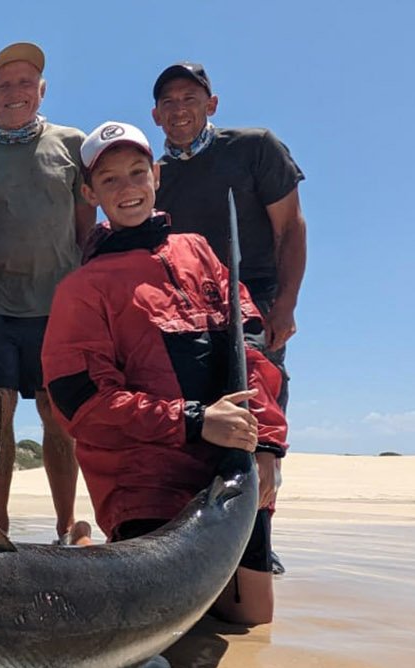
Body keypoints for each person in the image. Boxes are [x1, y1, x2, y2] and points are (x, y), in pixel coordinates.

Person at [41, 123, 287, 624]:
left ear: (157, 175)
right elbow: (82, 407)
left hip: (228, 466)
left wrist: (267, 446)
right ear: (90, 193)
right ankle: (86, 544)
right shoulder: (80, 289)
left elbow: (255, 349)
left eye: (137, 172)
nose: (127, 188)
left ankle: (92, 548)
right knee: (160, 633)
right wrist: (194, 420)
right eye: (109, 180)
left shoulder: (199, 251)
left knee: (252, 624)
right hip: (145, 481)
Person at [0, 42, 95, 545]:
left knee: (58, 417)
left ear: (41, 91)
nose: (14, 94)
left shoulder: (73, 143)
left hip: (58, 307)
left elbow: (86, 227)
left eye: (24, 84)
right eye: (2, 87)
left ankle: (65, 526)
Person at [150, 61, 306, 411]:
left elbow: (291, 227)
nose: (179, 110)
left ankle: (268, 467)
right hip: (191, 309)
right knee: (202, 409)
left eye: (190, 98)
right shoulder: (152, 178)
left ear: (212, 104)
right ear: (156, 115)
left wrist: (286, 304)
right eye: (168, 102)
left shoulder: (255, 147)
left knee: (255, 395)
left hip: (254, 296)